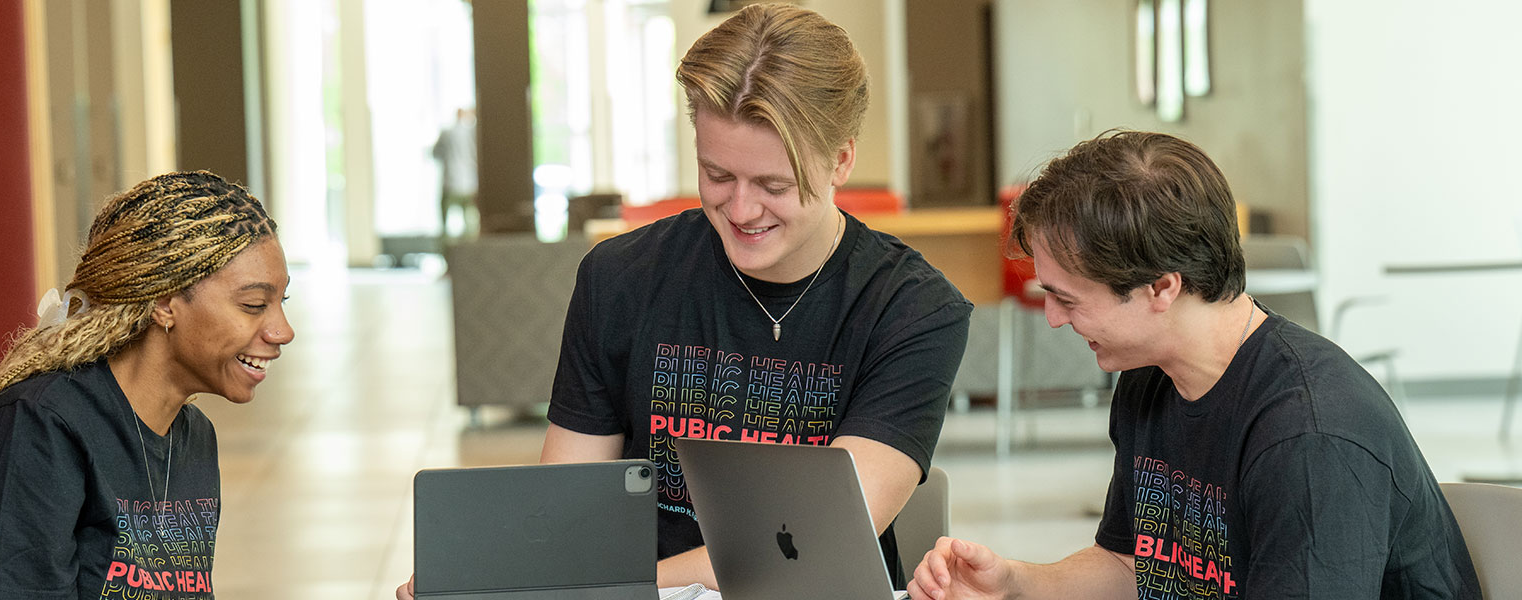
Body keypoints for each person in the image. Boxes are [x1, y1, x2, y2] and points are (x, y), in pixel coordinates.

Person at [908, 131, 1481, 599]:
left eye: (1068, 299)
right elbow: (1134, 565)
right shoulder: (1149, 377)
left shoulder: (1309, 434)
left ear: (1161, 286)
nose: (1053, 319)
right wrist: (1014, 584)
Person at [522, 3, 968, 593]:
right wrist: (497, 577)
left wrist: (616, 586)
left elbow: (810, 545)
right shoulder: (621, 276)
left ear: (841, 159)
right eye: (717, 175)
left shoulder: (911, 309)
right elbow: (565, 509)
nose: (740, 211)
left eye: (773, 185)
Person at [0, 171, 295, 599]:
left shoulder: (193, 437)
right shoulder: (38, 427)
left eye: (281, 302)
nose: (283, 330)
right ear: (164, 302)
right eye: (254, 305)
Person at [434, 107, 478, 240]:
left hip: (451, 183)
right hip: (469, 183)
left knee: (445, 223)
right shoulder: (471, 133)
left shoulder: (447, 133)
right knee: (469, 224)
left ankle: (447, 247)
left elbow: (436, 153)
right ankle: (468, 248)